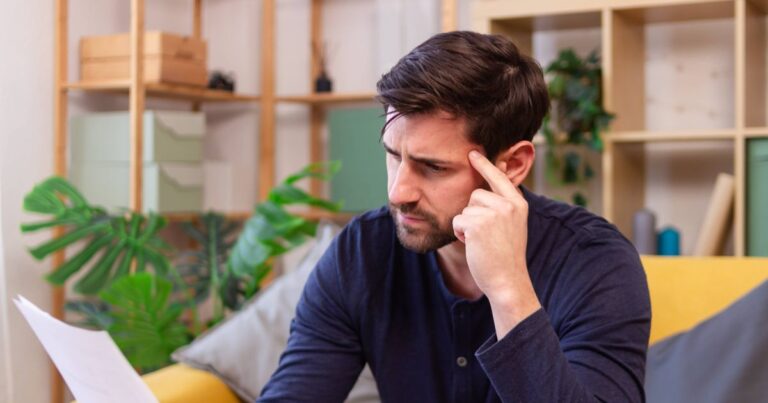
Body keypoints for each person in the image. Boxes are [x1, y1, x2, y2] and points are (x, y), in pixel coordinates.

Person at [259, 31, 650, 402]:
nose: (398, 193)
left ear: (512, 164)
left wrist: (509, 291)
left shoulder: (595, 262)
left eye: (433, 167)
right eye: (394, 156)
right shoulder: (361, 254)